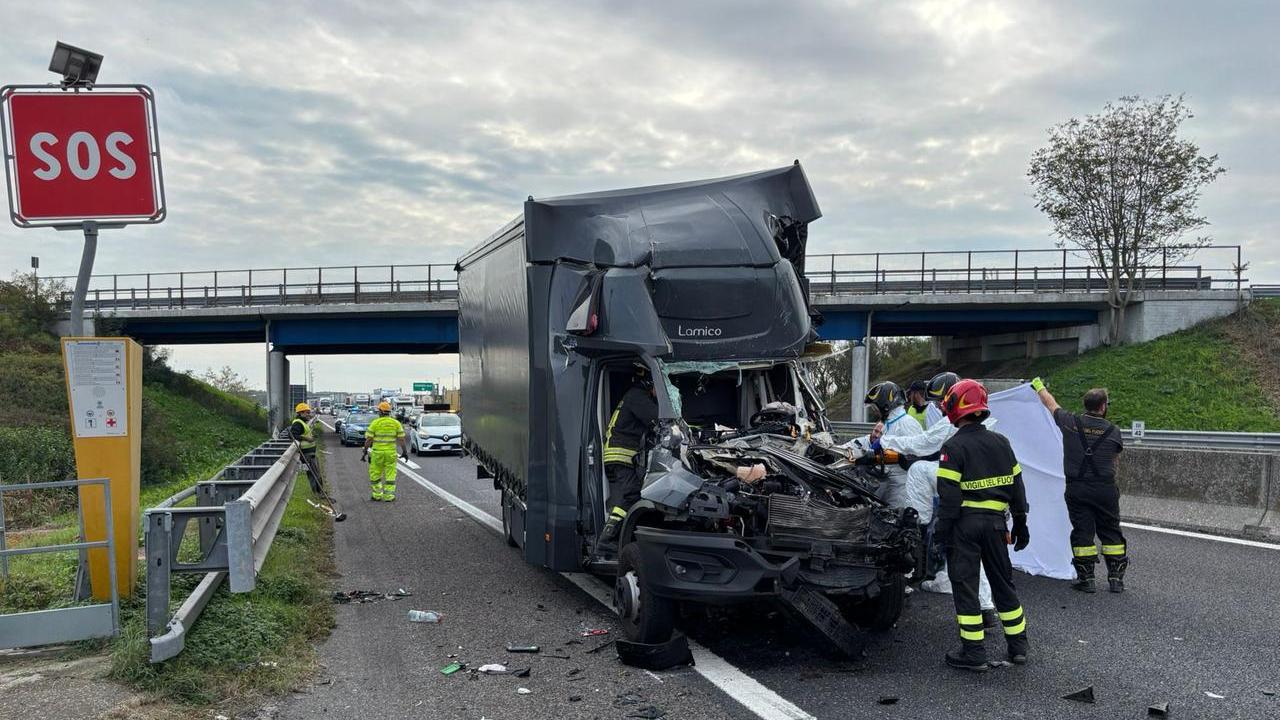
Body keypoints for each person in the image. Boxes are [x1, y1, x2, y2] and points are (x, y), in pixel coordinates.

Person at [883, 371, 999, 628]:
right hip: (989, 501)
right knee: (974, 553)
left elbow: (924, 443)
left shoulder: (955, 422)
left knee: (918, 471)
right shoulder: (990, 431)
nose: (937, 406)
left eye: (940, 401)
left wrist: (884, 442)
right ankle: (987, 608)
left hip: (966, 491)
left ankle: (918, 523)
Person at [935, 378, 1030, 671]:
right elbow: (1018, 486)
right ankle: (1018, 646)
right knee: (1004, 584)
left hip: (965, 525)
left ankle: (974, 652)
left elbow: (949, 499)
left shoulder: (953, 447)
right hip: (997, 526)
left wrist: (940, 533)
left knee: (966, 586)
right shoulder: (1002, 442)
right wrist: (1021, 522)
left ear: (956, 408)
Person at [1032, 378, 1127, 593]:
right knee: (1111, 531)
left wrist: (1039, 386)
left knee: (1083, 531)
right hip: (1105, 489)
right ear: (1103, 407)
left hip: (1078, 488)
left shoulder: (1070, 422)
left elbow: (1050, 404)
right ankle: (1116, 580)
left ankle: (1087, 580)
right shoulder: (1114, 431)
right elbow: (1115, 458)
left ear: (1086, 405)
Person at [597, 364, 660, 551]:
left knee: (632, 493)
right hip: (620, 454)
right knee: (631, 493)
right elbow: (656, 418)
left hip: (622, 453)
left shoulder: (635, 395)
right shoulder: (637, 396)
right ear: (649, 381)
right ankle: (607, 539)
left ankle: (620, 535)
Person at [843, 381, 923, 509]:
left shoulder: (907, 424)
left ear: (885, 405)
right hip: (891, 485)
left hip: (904, 490)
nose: (876, 412)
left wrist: (877, 458)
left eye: (876, 407)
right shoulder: (890, 425)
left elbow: (913, 458)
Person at [363, 400, 409, 502]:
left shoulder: (375, 423)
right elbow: (401, 439)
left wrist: (365, 451)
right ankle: (389, 496)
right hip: (391, 453)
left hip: (377, 453)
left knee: (375, 474)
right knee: (390, 474)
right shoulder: (396, 423)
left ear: (380, 411)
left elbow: (369, 439)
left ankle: (377, 495)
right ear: (389, 412)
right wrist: (405, 452)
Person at [290, 402, 321, 493]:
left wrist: (310, 437)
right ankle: (317, 493)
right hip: (307, 454)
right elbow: (292, 435)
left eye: (309, 412)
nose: (309, 414)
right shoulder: (298, 423)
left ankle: (319, 491)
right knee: (314, 474)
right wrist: (307, 438)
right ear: (300, 413)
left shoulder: (303, 422)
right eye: (307, 412)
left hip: (310, 453)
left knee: (315, 473)